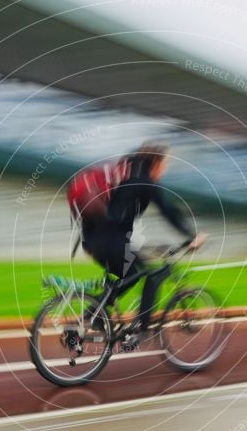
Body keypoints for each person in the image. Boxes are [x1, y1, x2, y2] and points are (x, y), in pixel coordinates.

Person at [81, 143, 208, 346]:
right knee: (150, 275)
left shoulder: (126, 173)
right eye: (165, 164)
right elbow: (168, 211)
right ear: (156, 162)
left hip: (91, 239)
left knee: (129, 274)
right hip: (111, 239)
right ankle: (140, 330)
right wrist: (191, 235)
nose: (165, 169)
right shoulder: (145, 182)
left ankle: (93, 313)